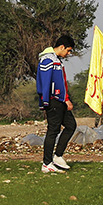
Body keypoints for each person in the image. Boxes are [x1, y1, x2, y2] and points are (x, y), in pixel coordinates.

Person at [36, 35, 76, 173]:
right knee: (53, 130)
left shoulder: (57, 60)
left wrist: (65, 98)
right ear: (62, 47)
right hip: (54, 100)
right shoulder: (48, 60)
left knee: (71, 125)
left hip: (60, 99)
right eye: (68, 51)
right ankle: (47, 163)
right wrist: (48, 100)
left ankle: (58, 155)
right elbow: (48, 83)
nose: (68, 54)